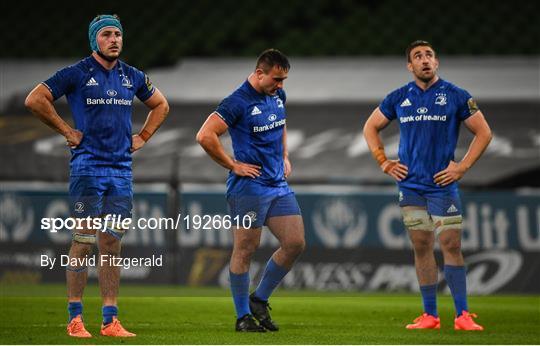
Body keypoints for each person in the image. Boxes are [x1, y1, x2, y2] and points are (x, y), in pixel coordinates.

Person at [25, 14, 169, 338]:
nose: (115, 39)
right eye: (107, 34)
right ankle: (75, 317)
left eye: (118, 34)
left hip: (120, 170)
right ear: (95, 40)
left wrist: (143, 137)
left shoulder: (132, 76)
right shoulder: (77, 73)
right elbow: (35, 99)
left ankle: (110, 320)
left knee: (111, 242)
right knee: (84, 240)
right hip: (87, 167)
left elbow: (161, 105)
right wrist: (66, 129)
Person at [363, 40, 492, 331]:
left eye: (429, 55)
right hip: (411, 186)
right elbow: (370, 126)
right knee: (422, 246)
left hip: (442, 185)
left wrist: (462, 167)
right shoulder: (398, 97)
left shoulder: (456, 95)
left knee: (451, 244)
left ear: (436, 62)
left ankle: (463, 315)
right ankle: (430, 316)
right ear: (410, 65)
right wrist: (384, 161)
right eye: (418, 56)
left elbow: (484, 133)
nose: (424, 60)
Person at [196, 49, 305, 332]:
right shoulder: (237, 102)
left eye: (284, 80)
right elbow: (205, 136)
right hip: (248, 187)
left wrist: (284, 155)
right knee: (245, 248)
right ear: (259, 73)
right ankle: (242, 316)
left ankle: (259, 299)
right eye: (277, 79)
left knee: (295, 243)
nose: (281, 85)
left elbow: (280, 124)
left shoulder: (277, 95)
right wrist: (233, 165)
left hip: (277, 184)